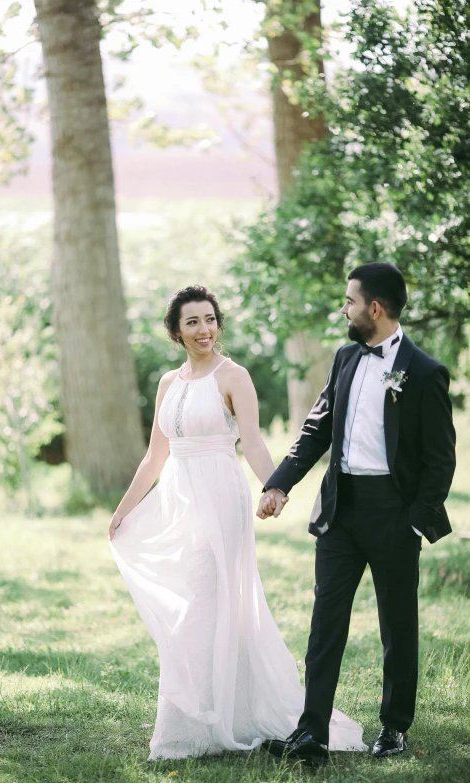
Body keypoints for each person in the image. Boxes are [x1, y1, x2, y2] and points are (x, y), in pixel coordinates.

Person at [108, 285, 366, 760]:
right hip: (179, 500)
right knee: (200, 602)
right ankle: (220, 709)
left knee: (203, 602)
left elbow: (253, 442)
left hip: (220, 498)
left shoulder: (234, 376)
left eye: (210, 319)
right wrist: (124, 510)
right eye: (192, 322)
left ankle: (189, 727)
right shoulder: (169, 383)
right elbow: (153, 458)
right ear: (176, 331)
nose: (203, 329)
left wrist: (275, 486)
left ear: (218, 323)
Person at [259, 263, 456, 764]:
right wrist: (280, 483)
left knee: (397, 626)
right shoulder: (346, 357)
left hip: (394, 516)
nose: (342, 309)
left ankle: (394, 728)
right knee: (326, 625)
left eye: (349, 301)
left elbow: (440, 459)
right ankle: (311, 734)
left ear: (374, 308)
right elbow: (317, 429)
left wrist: (415, 518)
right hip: (341, 514)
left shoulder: (425, 371)